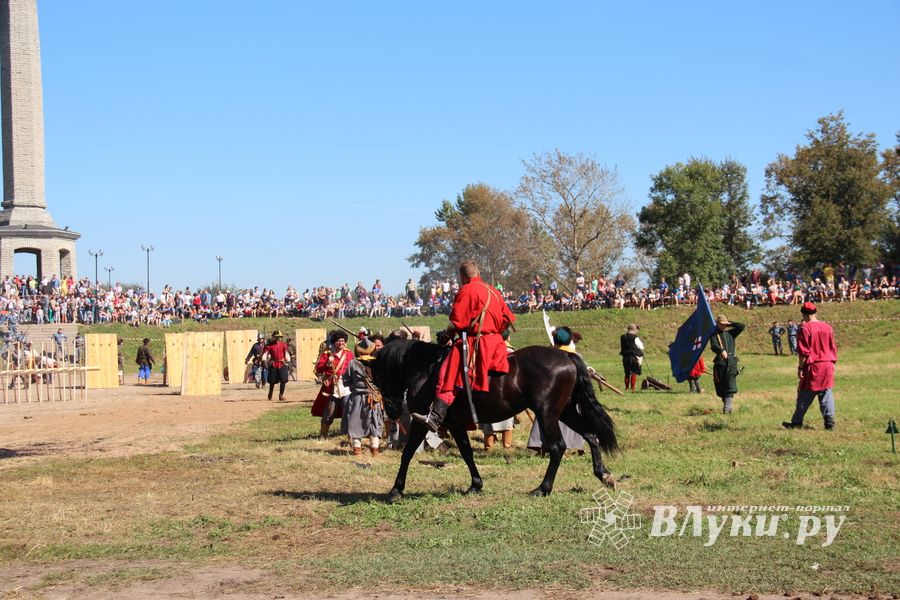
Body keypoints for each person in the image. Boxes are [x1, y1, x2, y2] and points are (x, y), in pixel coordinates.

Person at [412, 260, 515, 432]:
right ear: (478, 272)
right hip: (497, 344)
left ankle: (436, 416)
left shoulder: (467, 290)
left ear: (462, 277)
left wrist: (447, 336)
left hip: (476, 344)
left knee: (447, 373)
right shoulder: (493, 290)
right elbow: (507, 320)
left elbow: (457, 321)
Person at [783, 302, 838, 430]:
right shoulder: (827, 327)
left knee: (805, 393)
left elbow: (803, 352)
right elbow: (832, 347)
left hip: (814, 366)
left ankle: (796, 422)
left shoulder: (805, 328)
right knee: (826, 392)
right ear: (815, 313)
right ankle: (829, 421)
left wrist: (800, 368)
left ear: (804, 314)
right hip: (828, 364)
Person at [342, 338, 385, 456]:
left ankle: (357, 449)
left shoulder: (352, 363)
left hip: (357, 398)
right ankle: (375, 449)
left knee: (355, 422)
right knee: (375, 421)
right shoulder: (378, 363)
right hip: (374, 398)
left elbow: (346, 381)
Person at [312, 330, 353, 438]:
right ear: (334, 342)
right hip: (332, 387)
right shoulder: (327, 354)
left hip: (346, 387)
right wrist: (327, 364)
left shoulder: (349, 353)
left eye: (343, 341)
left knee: (348, 410)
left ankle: (349, 435)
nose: (341, 343)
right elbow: (318, 369)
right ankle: (323, 435)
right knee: (329, 411)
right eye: (338, 341)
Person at [710, 316, 745, 414]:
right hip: (720, 364)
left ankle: (726, 409)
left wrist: (730, 323)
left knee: (730, 386)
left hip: (731, 364)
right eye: (722, 324)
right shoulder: (714, 334)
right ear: (717, 324)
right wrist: (721, 350)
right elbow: (713, 346)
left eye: (725, 324)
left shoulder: (731, 333)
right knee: (721, 387)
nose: (723, 326)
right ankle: (728, 408)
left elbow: (742, 326)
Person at [264, 330, 290, 401]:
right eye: (277, 337)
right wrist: (264, 361)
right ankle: (270, 393)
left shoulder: (283, 344)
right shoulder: (269, 345)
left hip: (282, 363)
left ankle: (281, 395)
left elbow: (286, 353)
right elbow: (265, 354)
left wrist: (288, 362)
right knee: (272, 381)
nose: (278, 338)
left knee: (283, 380)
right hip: (273, 364)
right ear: (274, 337)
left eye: (279, 337)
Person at [619, 323, 644, 391]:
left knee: (627, 373)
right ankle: (632, 388)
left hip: (625, 357)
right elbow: (641, 347)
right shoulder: (635, 337)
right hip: (633, 357)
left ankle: (627, 388)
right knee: (634, 372)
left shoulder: (622, 337)